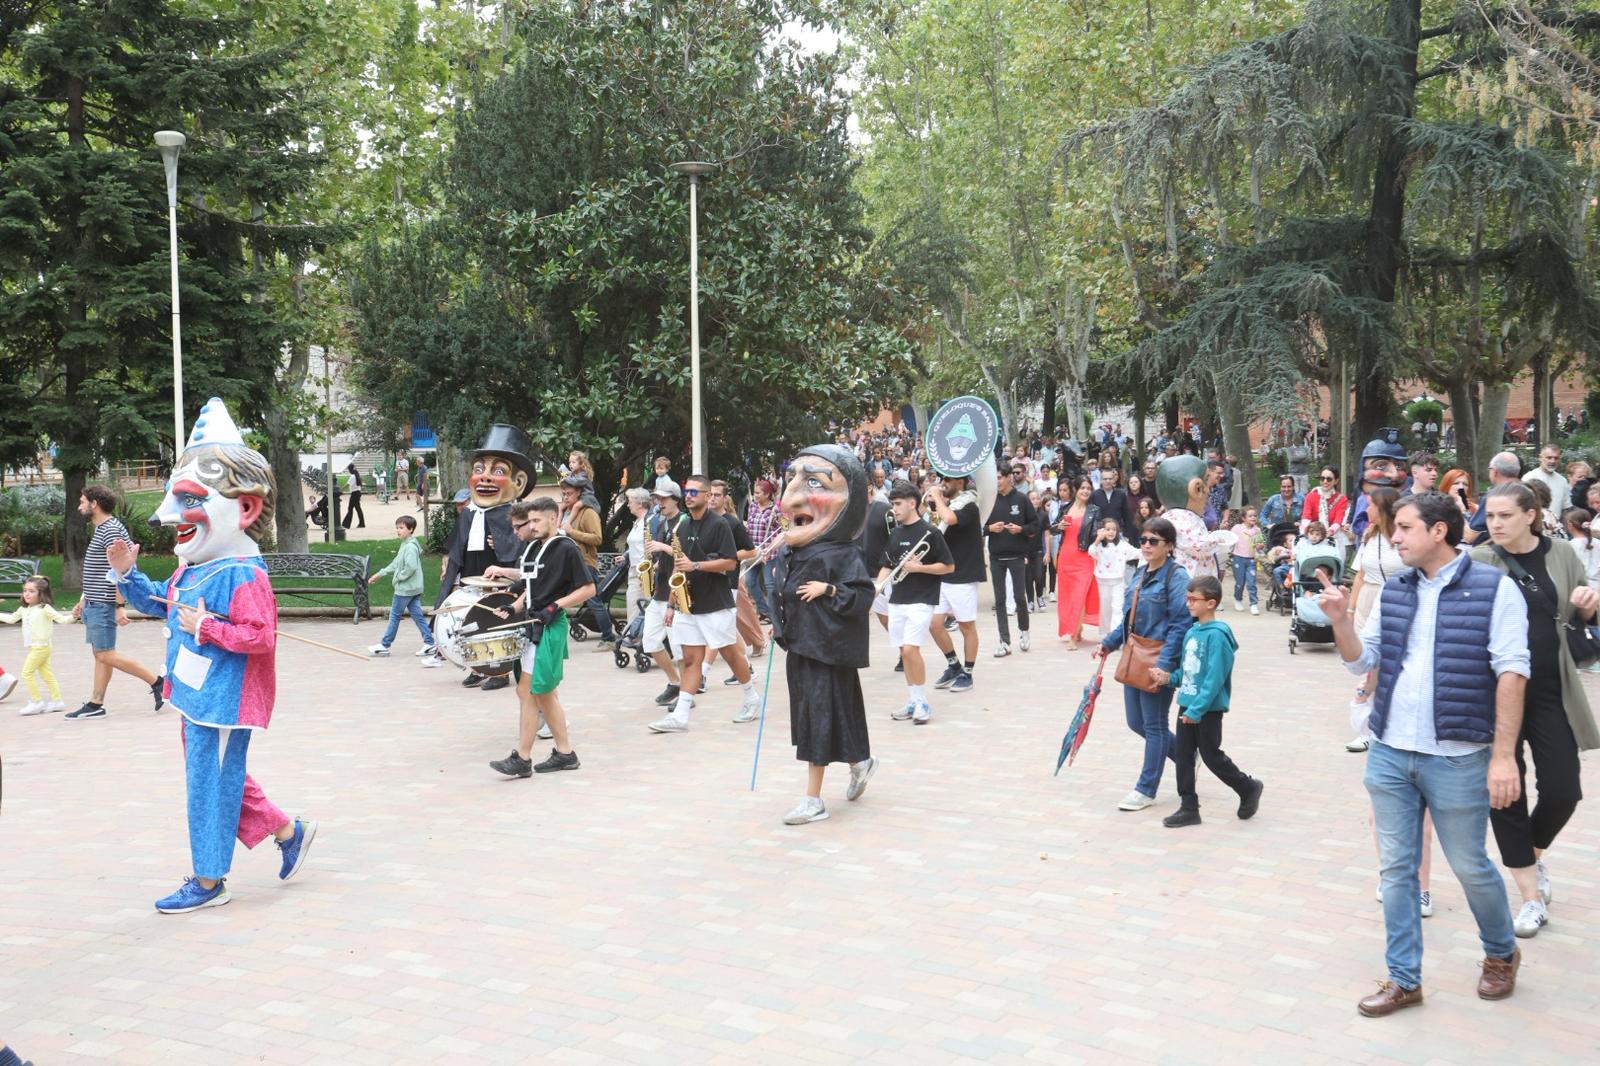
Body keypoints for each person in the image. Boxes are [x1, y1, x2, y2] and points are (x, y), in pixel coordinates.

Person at [1316, 492, 1525, 1017]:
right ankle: (1404, 979)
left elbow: (1512, 672)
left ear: (1439, 531)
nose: (1395, 538)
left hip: (1458, 755)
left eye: (1405, 528)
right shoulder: (1396, 590)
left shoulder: (1494, 589)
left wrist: (1503, 758)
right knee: (1396, 872)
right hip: (1389, 751)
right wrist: (1340, 620)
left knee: (1471, 866)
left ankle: (1501, 954)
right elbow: (1364, 660)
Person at [106, 398, 315, 913]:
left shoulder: (243, 572)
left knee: (209, 785)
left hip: (222, 699)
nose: (166, 514)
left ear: (245, 508)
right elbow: (162, 601)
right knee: (216, 776)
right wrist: (127, 574)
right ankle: (288, 831)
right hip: (194, 697)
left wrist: (210, 627)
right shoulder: (199, 565)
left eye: (187, 498)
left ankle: (208, 880)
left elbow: (259, 637)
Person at [1471, 482, 1599, 938]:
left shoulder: (1562, 553)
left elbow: (1581, 604)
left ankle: (1533, 852)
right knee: (1505, 793)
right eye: (1490, 517)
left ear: (1531, 514)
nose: (1496, 524)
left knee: (1565, 790)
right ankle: (1528, 896)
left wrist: (1589, 605)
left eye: (1505, 516)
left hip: (1551, 690)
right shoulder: (1479, 562)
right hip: (1497, 693)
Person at [770, 444, 878, 825]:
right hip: (801, 647)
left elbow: (864, 595)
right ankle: (861, 760)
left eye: (813, 482)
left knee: (818, 720)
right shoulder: (790, 553)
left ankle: (812, 799)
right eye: (791, 480)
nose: (791, 497)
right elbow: (782, 593)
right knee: (826, 716)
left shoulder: (844, 554)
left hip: (828, 649)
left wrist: (829, 590)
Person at [484, 497, 596, 777]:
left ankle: (526, 757)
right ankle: (563, 753)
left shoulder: (566, 549)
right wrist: (515, 605)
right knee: (538, 693)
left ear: (553, 519)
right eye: (529, 521)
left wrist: (555, 606)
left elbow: (588, 589)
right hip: (533, 624)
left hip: (550, 625)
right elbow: (532, 587)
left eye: (536, 521)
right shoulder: (534, 547)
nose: (531, 526)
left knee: (535, 691)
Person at [647, 474, 760, 733]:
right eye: (687, 491)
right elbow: (680, 567)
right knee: (690, 659)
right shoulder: (683, 527)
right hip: (689, 602)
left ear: (708, 497)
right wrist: (672, 604)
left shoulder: (720, 525)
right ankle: (681, 715)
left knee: (731, 653)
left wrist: (696, 565)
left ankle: (751, 697)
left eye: (694, 492)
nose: (689, 496)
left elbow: (730, 562)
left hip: (716, 602)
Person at [1096, 518, 1193, 812]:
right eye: (1144, 540)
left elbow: (1180, 623)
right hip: (1135, 654)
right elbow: (1129, 618)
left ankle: (1146, 789)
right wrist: (1109, 643)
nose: (1147, 546)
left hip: (1159, 658)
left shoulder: (1176, 577)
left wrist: (1165, 666)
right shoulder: (1138, 574)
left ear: (1170, 546)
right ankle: (1189, 756)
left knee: (1154, 725)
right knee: (1135, 722)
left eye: (1155, 541)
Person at [433, 426, 536, 691]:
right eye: (479, 469)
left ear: (519, 482)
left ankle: (499, 670)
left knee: (496, 618)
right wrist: (450, 566)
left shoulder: (513, 515)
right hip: (472, 572)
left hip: (501, 575)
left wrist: (502, 543)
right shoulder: (468, 513)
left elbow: (523, 549)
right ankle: (476, 666)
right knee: (469, 618)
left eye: (498, 472)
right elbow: (457, 545)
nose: (485, 478)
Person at [1161, 575, 1263, 828]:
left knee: (1210, 755)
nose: (1188, 604)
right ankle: (1188, 807)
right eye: (1187, 598)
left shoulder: (1217, 635)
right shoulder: (1193, 631)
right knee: (1183, 756)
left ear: (1211, 603)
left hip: (1207, 708)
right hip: (1188, 703)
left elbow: (1215, 677)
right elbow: (1188, 671)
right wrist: (1167, 678)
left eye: (1193, 599)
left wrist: (1198, 709)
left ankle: (1248, 787)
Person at [65, 485, 163, 719]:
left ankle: (158, 682)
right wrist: (83, 599)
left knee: (106, 654)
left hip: (104, 604)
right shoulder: (103, 529)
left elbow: (125, 569)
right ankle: (95, 703)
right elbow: (100, 570)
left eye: (82, 501)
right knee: (101, 654)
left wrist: (119, 606)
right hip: (94, 602)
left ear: (94, 504)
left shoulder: (110, 530)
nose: (79, 505)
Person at [878, 480, 954, 724]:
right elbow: (887, 564)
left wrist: (919, 568)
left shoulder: (930, 532)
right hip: (897, 598)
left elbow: (949, 566)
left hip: (922, 599)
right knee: (904, 651)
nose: (894, 509)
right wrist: (878, 586)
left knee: (911, 649)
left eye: (898, 504)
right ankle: (912, 699)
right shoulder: (896, 533)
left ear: (912, 503)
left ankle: (922, 701)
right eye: (892, 504)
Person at [1346, 488, 1404, 752]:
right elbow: (1359, 574)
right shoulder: (1370, 536)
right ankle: (1367, 726)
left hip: (1394, 601)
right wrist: (1350, 609)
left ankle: (1382, 721)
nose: (1365, 509)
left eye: (1370, 505)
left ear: (1383, 509)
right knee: (1368, 665)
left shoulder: (1402, 538)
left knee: (1385, 666)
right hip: (1367, 601)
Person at [926, 475, 983, 694]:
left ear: (960, 483)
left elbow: (950, 519)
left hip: (963, 575)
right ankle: (953, 664)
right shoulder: (948, 506)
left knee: (966, 626)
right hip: (944, 574)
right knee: (934, 624)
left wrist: (937, 497)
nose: (943, 484)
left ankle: (967, 673)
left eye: (948, 480)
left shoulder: (969, 505)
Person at [558, 474, 618, 649]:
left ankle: (609, 638)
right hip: (568, 564)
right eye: (563, 494)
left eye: (569, 494)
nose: (566, 497)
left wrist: (572, 531)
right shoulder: (567, 511)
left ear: (579, 493)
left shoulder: (588, 512)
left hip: (585, 563)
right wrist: (561, 512)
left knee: (593, 600)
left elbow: (597, 538)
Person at [640, 480, 687, 706]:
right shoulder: (658, 523)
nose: (660, 503)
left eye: (664, 499)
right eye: (658, 499)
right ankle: (675, 682)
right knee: (650, 642)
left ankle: (686, 693)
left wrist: (663, 547)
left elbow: (687, 555)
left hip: (677, 593)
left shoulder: (685, 522)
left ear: (676, 500)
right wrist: (654, 565)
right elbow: (664, 556)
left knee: (679, 647)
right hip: (659, 591)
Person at [0, 576, 76, 715]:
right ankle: (57, 701)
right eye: (25, 591)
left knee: (27, 673)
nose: (27, 594)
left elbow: (63, 620)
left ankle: (36, 702)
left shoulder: (45, 608)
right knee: (47, 675)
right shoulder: (23, 609)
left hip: (42, 647)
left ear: (41, 593)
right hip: (34, 647)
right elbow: (11, 619)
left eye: (32, 591)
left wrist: (74, 615)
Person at [987, 465, 1041, 656]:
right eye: (995, 478)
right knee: (1000, 600)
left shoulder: (1022, 499)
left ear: (1010, 478)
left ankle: (1024, 631)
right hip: (996, 558)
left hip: (1018, 556)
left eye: (1000, 477)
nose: (997, 481)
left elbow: (1035, 525)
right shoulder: (989, 500)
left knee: (1020, 597)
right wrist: (990, 529)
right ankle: (1004, 641)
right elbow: (978, 527)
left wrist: (1021, 530)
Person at [365, 515, 435, 658]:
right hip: (412, 588)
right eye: (397, 527)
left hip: (406, 589)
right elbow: (396, 563)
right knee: (417, 616)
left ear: (411, 530)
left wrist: (398, 578)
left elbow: (411, 568)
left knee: (394, 616)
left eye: (401, 528)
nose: (398, 530)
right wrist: (380, 574)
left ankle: (385, 645)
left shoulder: (410, 547)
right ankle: (430, 643)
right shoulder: (406, 544)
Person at [1088, 518, 1140, 629]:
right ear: (1102, 530)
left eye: (1114, 529)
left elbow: (1136, 553)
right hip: (1102, 581)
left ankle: (1115, 635)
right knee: (1105, 608)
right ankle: (1105, 636)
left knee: (1117, 608)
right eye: (1108, 529)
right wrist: (1098, 539)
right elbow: (1091, 552)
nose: (1111, 532)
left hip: (1118, 581)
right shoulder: (1098, 546)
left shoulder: (1122, 545)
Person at [744, 478, 783, 620]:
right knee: (750, 582)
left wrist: (778, 517)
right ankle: (764, 611)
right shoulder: (753, 506)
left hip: (769, 553)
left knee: (770, 584)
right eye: (754, 492)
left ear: (767, 494)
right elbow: (749, 525)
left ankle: (775, 614)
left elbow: (784, 528)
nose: (755, 495)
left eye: (758, 493)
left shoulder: (775, 509)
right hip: (754, 551)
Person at [1464, 451, 1521, 545]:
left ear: (1495, 472)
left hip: (1494, 554)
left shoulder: (1493, 497)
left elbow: (1469, 537)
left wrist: (1460, 512)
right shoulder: (1528, 493)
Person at [622, 487, 653, 623]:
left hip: (645, 571)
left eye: (630, 501)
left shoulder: (650, 521)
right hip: (634, 570)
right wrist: (626, 555)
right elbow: (636, 544)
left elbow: (651, 545)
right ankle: (633, 636)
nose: (628, 505)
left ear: (640, 503)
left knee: (643, 606)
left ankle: (634, 637)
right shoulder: (638, 522)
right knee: (633, 607)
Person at [1300, 467, 1350, 546]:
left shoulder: (1342, 499)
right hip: (1311, 536)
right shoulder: (1310, 496)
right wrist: (1307, 532)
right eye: (1322, 478)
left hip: (1332, 537)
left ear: (1336, 481)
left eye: (1329, 479)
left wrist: (1329, 532)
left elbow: (1338, 520)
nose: (1325, 481)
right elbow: (1306, 516)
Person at [1227, 506, 1262, 614]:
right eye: (1250, 516)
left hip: (1251, 559)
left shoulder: (1257, 530)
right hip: (1238, 558)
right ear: (1243, 518)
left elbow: (1260, 545)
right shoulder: (1237, 528)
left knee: (1251, 583)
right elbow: (1230, 539)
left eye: (1255, 516)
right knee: (1239, 582)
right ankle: (1238, 599)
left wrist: (1259, 546)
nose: (1253, 518)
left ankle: (1254, 603)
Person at [1090, 466, 1135, 539]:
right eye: (1105, 479)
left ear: (1114, 479)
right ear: (1101, 480)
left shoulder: (1121, 494)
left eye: (1110, 479)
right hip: (1100, 534)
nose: (1108, 481)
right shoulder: (1095, 495)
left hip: (1118, 533)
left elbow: (1126, 516)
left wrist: (1127, 534)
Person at [1522, 444, 1569, 511]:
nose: (1553, 461)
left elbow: (1565, 508)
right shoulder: (1529, 478)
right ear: (1540, 457)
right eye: (1549, 458)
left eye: (1556, 458)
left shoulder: (1562, 480)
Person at [341, 461, 365, 529]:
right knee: (358, 508)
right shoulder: (357, 475)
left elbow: (347, 484)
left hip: (354, 494)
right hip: (358, 493)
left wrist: (341, 489)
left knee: (350, 508)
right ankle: (362, 523)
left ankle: (346, 524)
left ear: (349, 470)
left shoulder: (352, 476)